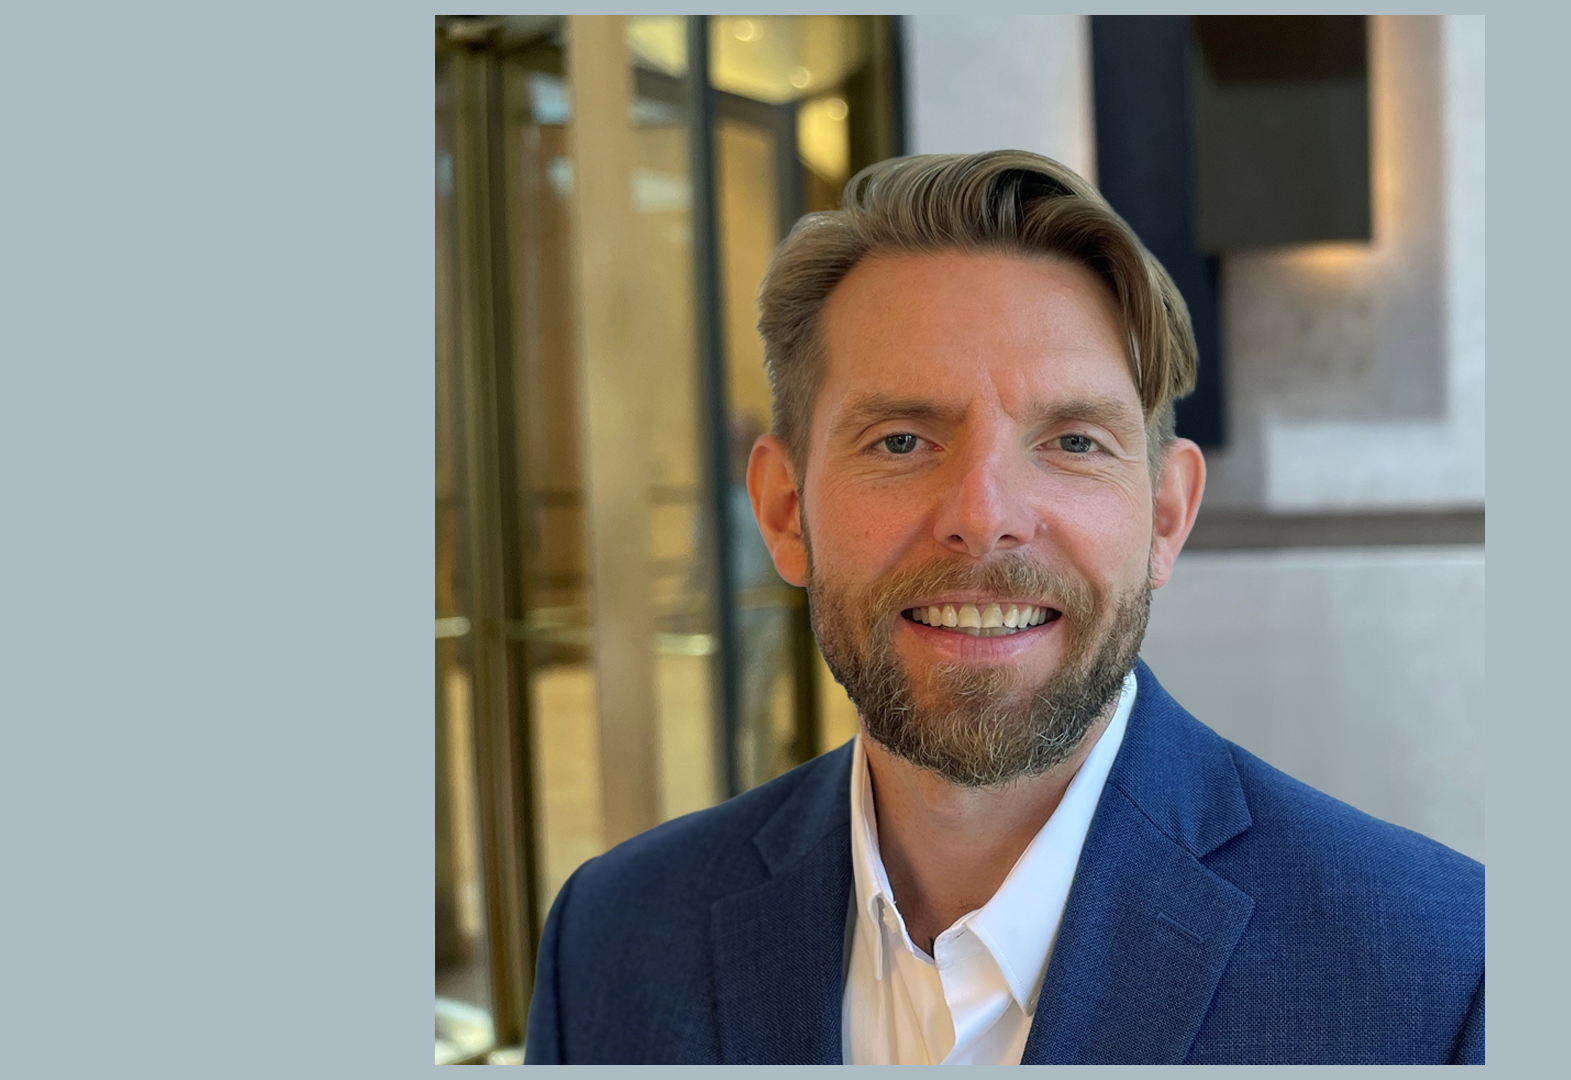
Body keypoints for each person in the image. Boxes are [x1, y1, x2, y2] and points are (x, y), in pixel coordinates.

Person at [523, 150, 1484, 1065]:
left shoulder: (1440, 977)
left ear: (1164, 516)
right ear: (785, 511)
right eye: (900, 441)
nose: (983, 519)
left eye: (1072, 443)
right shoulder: (612, 944)